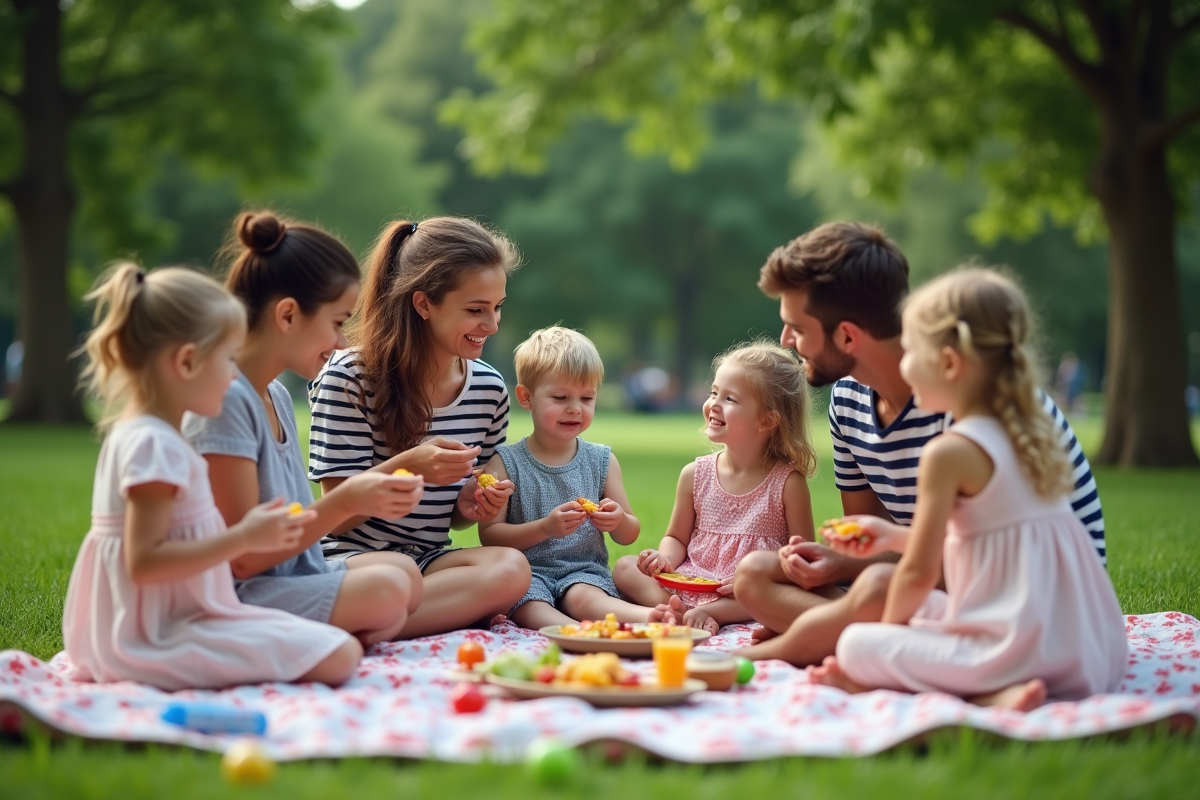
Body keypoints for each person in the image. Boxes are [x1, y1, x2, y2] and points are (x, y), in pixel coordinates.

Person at [735, 222, 1105, 665]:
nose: (785, 342)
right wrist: (839, 564)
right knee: (756, 574)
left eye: (795, 328)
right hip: (935, 571)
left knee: (874, 592)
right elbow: (871, 541)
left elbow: (1004, 551)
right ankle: (841, 634)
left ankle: (831, 640)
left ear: (848, 335)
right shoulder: (848, 400)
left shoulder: (977, 401)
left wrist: (857, 600)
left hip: (1021, 591)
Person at [806, 268, 1127, 709]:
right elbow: (987, 538)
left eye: (911, 352)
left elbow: (917, 574)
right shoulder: (1026, 431)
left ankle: (989, 693)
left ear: (951, 364)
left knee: (857, 644)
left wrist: (888, 636)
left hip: (1020, 648)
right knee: (921, 618)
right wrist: (893, 537)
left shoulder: (948, 452)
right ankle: (992, 687)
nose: (902, 366)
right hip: (1092, 650)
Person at [62, 264, 360, 691]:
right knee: (339, 654)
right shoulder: (153, 445)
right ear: (186, 362)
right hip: (155, 634)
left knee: (336, 647)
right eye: (228, 358)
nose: (234, 374)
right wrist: (244, 537)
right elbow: (143, 562)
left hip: (180, 617)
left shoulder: (146, 435)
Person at [183, 212, 423, 647]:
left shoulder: (272, 393)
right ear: (288, 315)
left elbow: (291, 531)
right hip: (238, 595)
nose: (341, 343)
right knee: (389, 591)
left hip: (290, 573)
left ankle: (316, 641)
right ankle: (305, 642)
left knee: (404, 574)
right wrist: (345, 499)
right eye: (336, 322)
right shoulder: (225, 401)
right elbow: (242, 561)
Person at [308, 217, 531, 636]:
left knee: (511, 568)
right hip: (352, 560)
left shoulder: (489, 389)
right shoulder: (349, 376)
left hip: (427, 562)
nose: (493, 324)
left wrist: (471, 503)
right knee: (393, 577)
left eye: (497, 307)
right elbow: (335, 519)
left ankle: (366, 627)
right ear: (424, 303)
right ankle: (384, 616)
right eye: (475, 309)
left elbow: (453, 521)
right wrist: (411, 466)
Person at [613, 342, 819, 634]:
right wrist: (665, 559)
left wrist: (756, 580)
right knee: (625, 568)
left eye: (730, 399)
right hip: (689, 581)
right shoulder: (695, 474)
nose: (713, 404)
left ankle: (708, 613)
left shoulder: (787, 483)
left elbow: (799, 559)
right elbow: (676, 537)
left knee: (777, 595)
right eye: (714, 393)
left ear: (767, 420)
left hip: (742, 592)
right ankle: (683, 612)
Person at [477, 326, 644, 629]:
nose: (574, 409)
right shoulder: (505, 463)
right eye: (560, 397)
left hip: (583, 572)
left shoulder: (601, 460)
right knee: (528, 604)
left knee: (585, 599)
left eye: (587, 398)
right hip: (526, 574)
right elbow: (490, 536)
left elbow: (629, 534)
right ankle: (569, 631)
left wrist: (617, 520)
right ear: (526, 397)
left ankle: (651, 619)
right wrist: (545, 527)